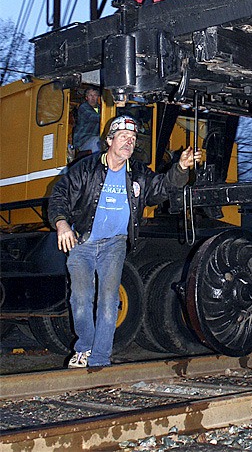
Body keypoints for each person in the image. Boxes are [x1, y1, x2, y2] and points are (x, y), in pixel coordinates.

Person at [48, 114, 199, 369]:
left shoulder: (138, 173)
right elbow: (60, 194)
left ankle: (99, 359)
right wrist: (62, 223)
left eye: (132, 138)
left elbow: (161, 188)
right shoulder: (86, 168)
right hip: (82, 242)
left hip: (114, 245)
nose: (129, 142)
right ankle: (84, 347)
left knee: (109, 301)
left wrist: (181, 168)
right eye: (123, 137)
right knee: (81, 299)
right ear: (109, 140)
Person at [72, 87, 102, 154]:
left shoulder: (102, 109)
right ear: (86, 98)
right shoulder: (83, 107)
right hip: (83, 141)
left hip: (97, 138)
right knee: (96, 141)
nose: (93, 98)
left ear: (98, 97)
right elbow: (93, 117)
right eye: (90, 95)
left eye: (95, 95)